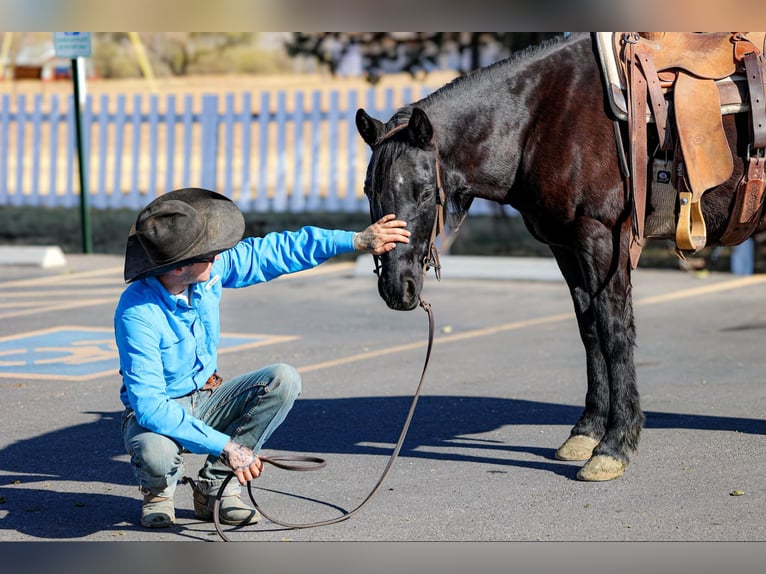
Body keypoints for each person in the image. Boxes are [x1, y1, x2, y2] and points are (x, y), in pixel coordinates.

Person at [114, 187, 410, 529]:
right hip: (163, 407)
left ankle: (217, 488)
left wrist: (356, 240)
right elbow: (150, 406)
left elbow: (275, 251)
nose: (218, 256)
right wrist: (228, 447)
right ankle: (158, 493)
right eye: (208, 254)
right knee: (156, 450)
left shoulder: (207, 271)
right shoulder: (136, 313)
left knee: (283, 379)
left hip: (208, 398)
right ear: (179, 269)